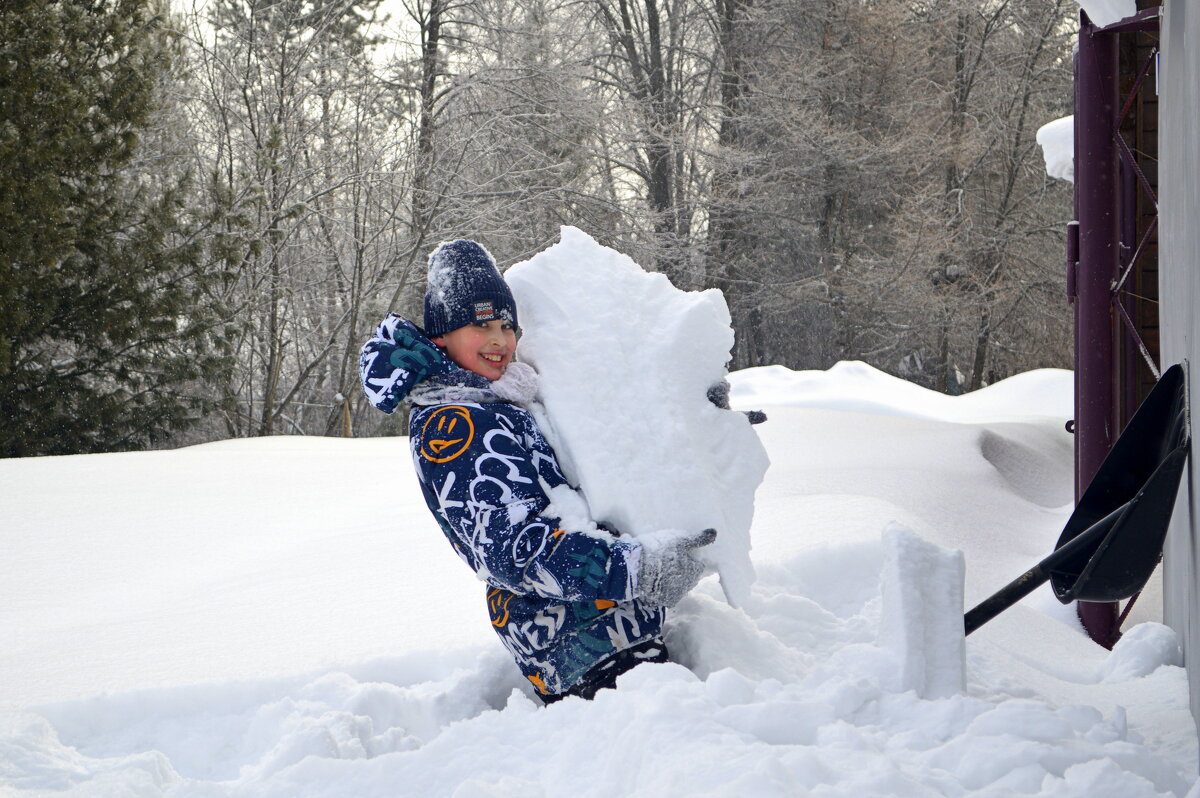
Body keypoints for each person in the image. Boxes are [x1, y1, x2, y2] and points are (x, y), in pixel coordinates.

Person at [358, 239, 717, 703]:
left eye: (508, 325)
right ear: (441, 336)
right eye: (480, 324)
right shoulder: (453, 427)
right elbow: (513, 553)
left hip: (617, 624)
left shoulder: (506, 401)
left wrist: (702, 419)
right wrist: (637, 568)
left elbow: (605, 455)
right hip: (574, 651)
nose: (499, 339)